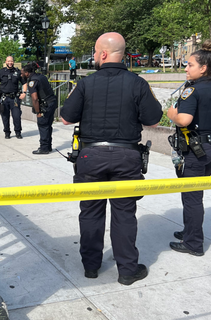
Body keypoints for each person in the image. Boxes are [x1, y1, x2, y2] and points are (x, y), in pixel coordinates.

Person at [60, 32, 163, 285]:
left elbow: (65, 118)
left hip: (90, 155)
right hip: (127, 156)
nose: (94, 57)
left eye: (95, 52)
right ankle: (127, 270)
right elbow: (154, 119)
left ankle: (91, 266)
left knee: (91, 211)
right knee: (125, 213)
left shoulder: (85, 83)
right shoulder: (138, 83)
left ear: (103, 54)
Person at [166, 39, 211, 257]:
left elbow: (183, 119)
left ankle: (193, 243)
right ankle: (189, 231)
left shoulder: (191, 91)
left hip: (195, 150)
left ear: (203, 68)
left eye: (190, 65)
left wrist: (170, 113)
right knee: (194, 194)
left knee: (192, 197)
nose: (186, 68)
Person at [22, 62, 57, 154]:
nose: (21, 75)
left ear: (27, 73)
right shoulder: (42, 76)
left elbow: (35, 98)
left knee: (43, 125)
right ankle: (48, 146)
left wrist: (38, 113)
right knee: (48, 125)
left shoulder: (32, 81)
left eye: (22, 73)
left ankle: (44, 148)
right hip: (52, 102)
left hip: (45, 106)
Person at [0, 56, 28, 139]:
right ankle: (7, 132)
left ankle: (18, 132)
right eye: (8, 61)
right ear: (6, 62)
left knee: (16, 116)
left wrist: (24, 93)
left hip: (15, 98)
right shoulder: (1, 72)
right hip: (4, 98)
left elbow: (24, 83)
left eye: (11, 61)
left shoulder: (17, 72)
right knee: (5, 116)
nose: (10, 63)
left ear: (13, 62)